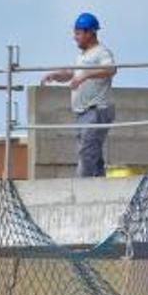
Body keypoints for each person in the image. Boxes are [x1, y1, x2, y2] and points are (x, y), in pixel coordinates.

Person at [40, 12, 117, 178]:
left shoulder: (101, 52)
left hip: (96, 110)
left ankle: (80, 187)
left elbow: (110, 69)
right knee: (92, 153)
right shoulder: (83, 56)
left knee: (86, 152)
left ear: (90, 32)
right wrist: (55, 75)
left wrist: (85, 76)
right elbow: (71, 74)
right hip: (83, 112)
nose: (75, 37)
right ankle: (98, 185)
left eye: (78, 33)